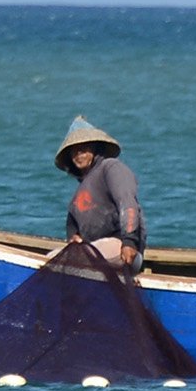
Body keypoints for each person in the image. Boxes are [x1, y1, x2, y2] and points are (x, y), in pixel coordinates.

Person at [56, 116, 145, 273]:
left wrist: (129, 242)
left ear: (96, 147)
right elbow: (72, 227)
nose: (79, 153)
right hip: (92, 249)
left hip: (121, 247)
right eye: (74, 149)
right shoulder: (80, 191)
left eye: (84, 146)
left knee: (70, 263)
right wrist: (73, 238)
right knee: (50, 261)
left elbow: (128, 204)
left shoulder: (111, 168)